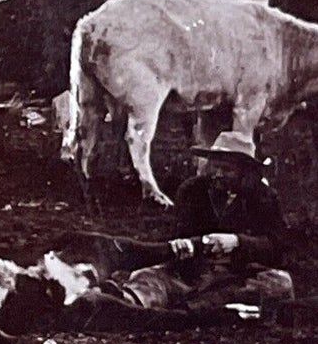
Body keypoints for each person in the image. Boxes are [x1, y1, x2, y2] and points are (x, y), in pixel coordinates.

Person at [101, 132, 293, 313]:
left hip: (239, 275)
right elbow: (179, 232)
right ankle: (127, 301)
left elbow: (277, 246)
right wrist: (194, 246)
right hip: (192, 271)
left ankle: (195, 306)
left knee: (280, 283)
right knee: (148, 277)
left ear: (245, 171)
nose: (218, 174)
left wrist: (237, 242)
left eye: (227, 169)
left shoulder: (264, 197)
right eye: (214, 166)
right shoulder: (193, 190)